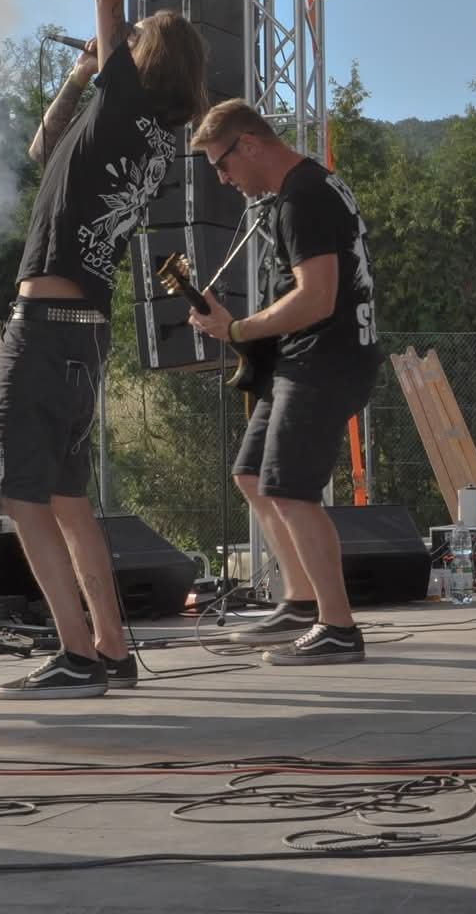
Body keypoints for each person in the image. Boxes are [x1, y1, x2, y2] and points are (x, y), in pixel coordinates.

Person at [0, 0, 210, 701]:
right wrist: (80, 72)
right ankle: (109, 646)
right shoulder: (157, 133)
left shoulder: (127, 99)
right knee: (68, 497)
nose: (120, 36)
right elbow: (47, 149)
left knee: (20, 494)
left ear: (143, 55)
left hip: (44, 328)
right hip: (85, 329)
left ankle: (77, 653)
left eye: (130, 39)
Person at [183, 99, 380, 666]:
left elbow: (316, 298)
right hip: (306, 359)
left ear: (249, 144)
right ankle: (300, 603)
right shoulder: (302, 190)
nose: (223, 179)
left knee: (291, 490)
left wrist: (236, 328)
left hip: (326, 360)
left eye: (222, 164)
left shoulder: (302, 198)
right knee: (252, 475)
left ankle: (337, 626)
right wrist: (240, 328)